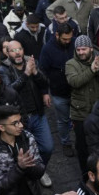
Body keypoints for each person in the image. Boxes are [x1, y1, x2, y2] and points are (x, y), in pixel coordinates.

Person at [0, 39, 53, 171]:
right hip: (20, 118)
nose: (17, 53)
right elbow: (9, 91)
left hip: (37, 114)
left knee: (47, 147)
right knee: (26, 150)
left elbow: (45, 83)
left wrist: (35, 73)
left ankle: (40, 169)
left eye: (19, 49)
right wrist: (27, 73)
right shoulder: (3, 69)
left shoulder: (31, 63)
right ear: (7, 53)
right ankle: (33, 173)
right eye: (13, 51)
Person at [0, 105, 45, 195]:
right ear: (1, 127)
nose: (21, 125)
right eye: (15, 123)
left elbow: (40, 170)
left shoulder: (28, 138)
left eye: (20, 121)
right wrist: (19, 168)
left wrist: (29, 166)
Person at [65, 34, 99, 171]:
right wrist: (91, 70)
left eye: (83, 49)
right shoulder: (71, 64)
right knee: (82, 147)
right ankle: (85, 174)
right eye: (78, 50)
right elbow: (74, 82)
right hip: (80, 112)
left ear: (90, 48)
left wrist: (98, 68)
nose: (81, 52)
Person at [40, 22, 75, 160]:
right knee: (63, 120)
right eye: (64, 39)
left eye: (69, 39)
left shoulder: (74, 43)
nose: (67, 42)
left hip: (76, 90)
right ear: (57, 35)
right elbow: (42, 72)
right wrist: (44, 92)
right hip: (58, 91)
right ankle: (66, 142)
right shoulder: (47, 49)